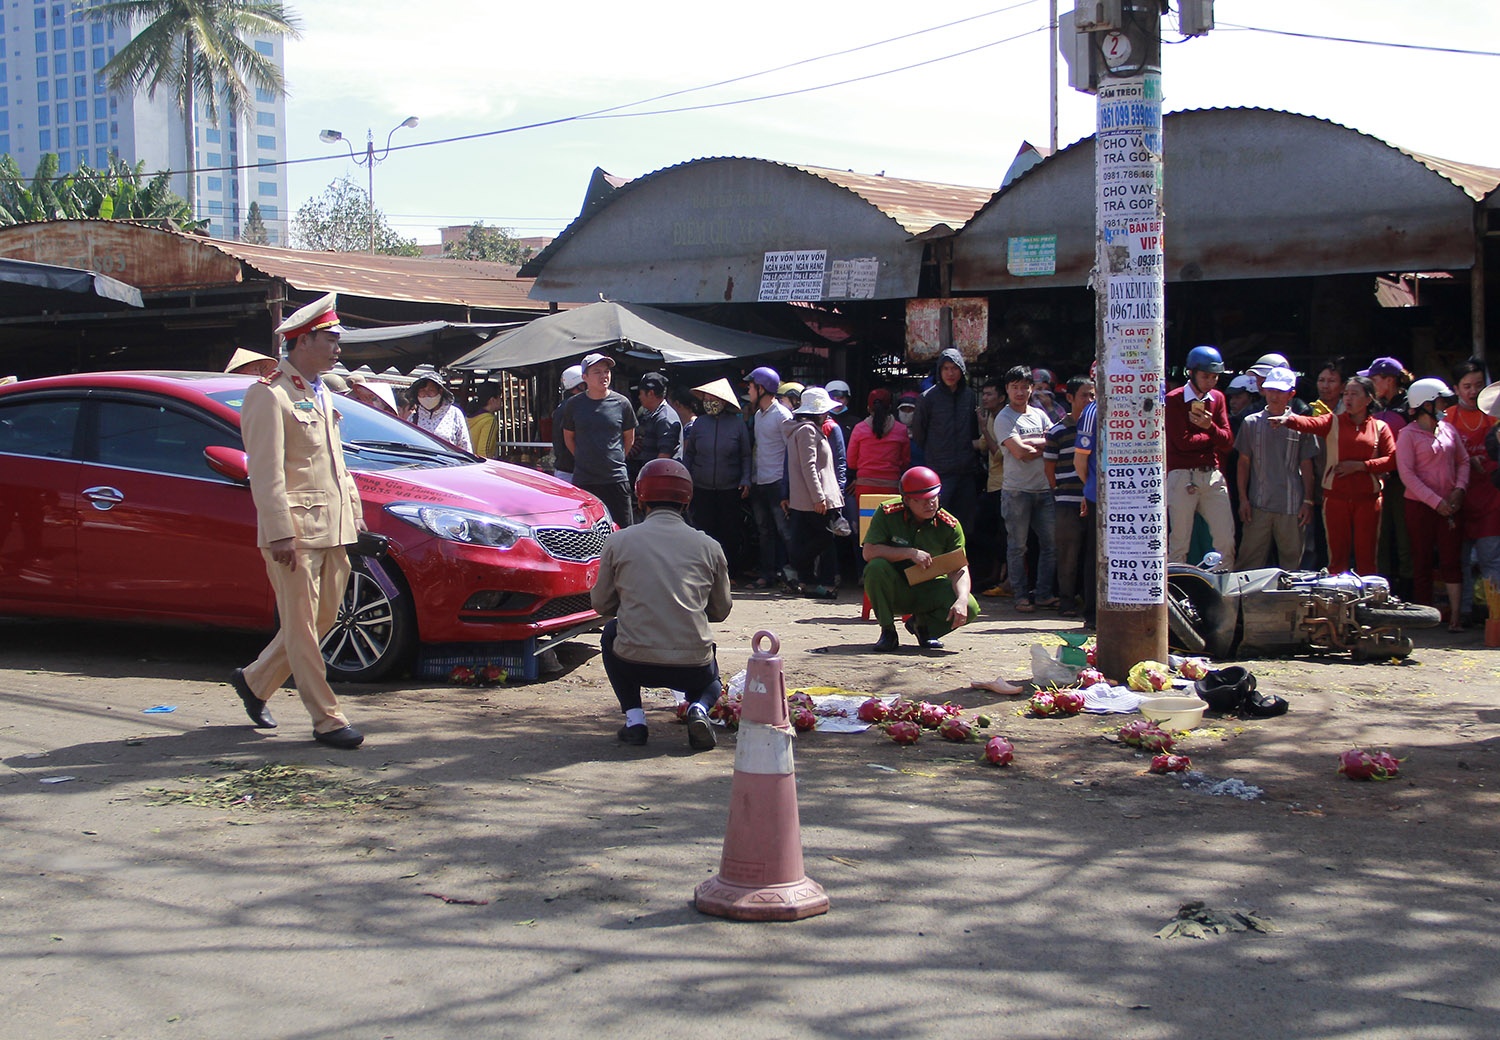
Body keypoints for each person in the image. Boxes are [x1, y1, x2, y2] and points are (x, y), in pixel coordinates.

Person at [229, 292, 365, 750]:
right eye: (331, 339)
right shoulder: (269, 395)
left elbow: (335, 465)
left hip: (334, 527)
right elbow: (265, 472)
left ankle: (255, 681)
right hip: (296, 532)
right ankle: (327, 718)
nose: (337, 348)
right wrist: (279, 532)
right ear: (303, 340)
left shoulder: (320, 393)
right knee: (303, 628)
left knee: (323, 619)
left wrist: (354, 514)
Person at [591, 459, 731, 751]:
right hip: (693, 667)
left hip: (633, 663)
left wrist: (634, 605)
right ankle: (698, 709)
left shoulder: (618, 541)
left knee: (611, 632)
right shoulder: (709, 546)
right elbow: (720, 611)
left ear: (640, 498)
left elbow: (601, 604)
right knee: (711, 670)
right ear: (687, 500)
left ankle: (635, 721)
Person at [1273, 376, 1396, 575]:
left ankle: (1366, 593)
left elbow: (1391, 460)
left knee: (1367, 558)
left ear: (1368, 399)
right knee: (1337, 559)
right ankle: (1336, 593)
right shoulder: (1333, 421)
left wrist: (1361, 466)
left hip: (1368, 500)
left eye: (1354, 394)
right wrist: (1287, 420)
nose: (1348, 398)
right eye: (1345, 394)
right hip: (1336, 499)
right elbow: (1309, 423)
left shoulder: (1380, 427)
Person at [862, 466, 980, 652]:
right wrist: (909, 553)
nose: (930, 504)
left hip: (928, 590)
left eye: (934, 498)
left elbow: (959, 568)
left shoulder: (949, 526)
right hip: (895, 589)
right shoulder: (888, 513)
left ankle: (924, 627)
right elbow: (869, 552)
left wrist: (962, 599)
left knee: (970, 606)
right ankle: (888, 631)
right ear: (907, 500)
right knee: (875, 567)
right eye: (922, 500)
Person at [1397, 378, 1469, 630]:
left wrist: (1459, 489)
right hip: (1420, 507)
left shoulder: (1448, 429)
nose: (1444, 406)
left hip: (1451, 505)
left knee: (1451, 559)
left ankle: (1456, 616)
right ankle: (1424, 617)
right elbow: (1407, 475)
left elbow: (1463, 461)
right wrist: (1435, 502)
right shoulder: (1407, 435)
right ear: (1425, 405)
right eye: (1440, 402)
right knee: (1422, 559)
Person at [1234, 367, 1318, 569]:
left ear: (1291, 394)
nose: (1274, 396)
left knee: (1293, 565)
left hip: (1291, 506)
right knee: (1248, 562)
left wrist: (1308, 501)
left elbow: (1307, 464)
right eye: (1271, 390)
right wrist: (1243, 499)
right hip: (1258, 504)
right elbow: (1243, 462)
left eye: (1280, 391)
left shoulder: (1301, 425)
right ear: (1264, 391)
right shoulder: (1251, 423)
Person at [1166, 345, 1237, 569]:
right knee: (1179, 544)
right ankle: (1176, 589)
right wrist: (1213, 435)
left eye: (1214, 376)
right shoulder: (1174, 399)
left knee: (1226, 540)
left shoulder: (1218, 398)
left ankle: (1222, 586)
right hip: (1182, 476)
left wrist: (1209, 428)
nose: (1211, 381)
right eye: (1206, 376)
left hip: (1212, 475)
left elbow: (1228, 442)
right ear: (1191, 373)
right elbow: (1182, 443)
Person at [994, 364, 1057, 612]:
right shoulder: (1003, 418)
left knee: (1051, 545)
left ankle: (1043, 594)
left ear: (1031, 388)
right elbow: (1020, 452)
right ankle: (1020, 595)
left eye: (1024, 387)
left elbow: (1054, 443)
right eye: (1014, 387)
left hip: (1044, 489)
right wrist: (1039, 444)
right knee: (1018, 547)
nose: (1020, 392)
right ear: (1007, 389)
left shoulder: (1040, 414)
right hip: (1016, 491)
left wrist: (1031, 444)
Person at [1445, 359, 1497, 622]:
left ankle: (1495, 614)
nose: (1473, 391)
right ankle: (1463, 611)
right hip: (1458, 499)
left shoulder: (1495, 416)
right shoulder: (1447, 418)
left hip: (1491, 499)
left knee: (1491, 559)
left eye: (1478, 385)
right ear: (1456, 388)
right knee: (1459, 560)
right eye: (1467, 386)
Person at [682, 377, 751, 575]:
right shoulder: (700, 424)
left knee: (729, 531)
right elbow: (690, 454)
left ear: (723, 402)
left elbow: (746, 455)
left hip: (729, 488)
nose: (708, 402)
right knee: (703, 529)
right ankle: (704, 570)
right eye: (706, 399)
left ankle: (728, 572)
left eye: (713, 399)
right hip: (701, 487)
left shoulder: (737, 425)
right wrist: (686, 478)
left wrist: (746, 479)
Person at [781, 386, 844, 600]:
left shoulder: (800, 429)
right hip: (814, 500)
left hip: (805, 499)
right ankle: (814, 579)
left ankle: (806, 580)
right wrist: (819, 497)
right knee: (824, 540)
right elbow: (809, 466)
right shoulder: (807, 431)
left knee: (811, 540)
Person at [910, 348, 979, 535]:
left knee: (965, 522)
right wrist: (936, 450)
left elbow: (973, 429)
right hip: (939, 470)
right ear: (939, 371)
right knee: (937, 519)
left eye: (954, 368)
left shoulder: (969, 396)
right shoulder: (928, 398)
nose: (950, 373)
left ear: (961, 371)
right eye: (946, 368)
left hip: (966, 469)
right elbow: (919, 433)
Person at [563, 352, 637, 525]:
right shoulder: (574, 405)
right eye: (597, 372)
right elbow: (568, 438)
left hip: (615, 478)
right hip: (585, 479)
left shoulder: (622, 403)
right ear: (585, 377)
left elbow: (629, 439)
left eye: (606, 371)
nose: (604, 376)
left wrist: (613, 459)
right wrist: (584, 458)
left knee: (623, 530)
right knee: (587, 529)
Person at [1044, 374, 1095, 616]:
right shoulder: (1057, 431)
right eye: (1084, 395)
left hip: (1091, 500)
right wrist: (1059, 491)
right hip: (1066, 501)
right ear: (1070, 398)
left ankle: (1088, 601)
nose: (1090, 400)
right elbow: (1049, 469)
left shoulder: (1097, 427)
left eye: (1093, 395)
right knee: (1068, 554)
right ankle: (1066, 602)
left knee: (1091, 554)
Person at [1364, 356, 1413, 593]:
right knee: (1380, 537)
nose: (1371, 385)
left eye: (1374, 380)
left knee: (1404, 538)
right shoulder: (1375, 407)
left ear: (1389, 380)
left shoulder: (1409, 407)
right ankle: (1380, 588)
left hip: (1404, 483)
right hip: (1379, 481)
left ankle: (1408, 590)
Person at [744, 365, 793, 589]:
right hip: (760, 481)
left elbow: (791, 451)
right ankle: (768, 574)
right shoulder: (758, 415)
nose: (748, 390)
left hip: (777, 482)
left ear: (761, 388)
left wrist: (787, 488)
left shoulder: (782, 415)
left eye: (751, 386)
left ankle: (794, 575)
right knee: (764, 531)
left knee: (785, 532)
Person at [973, 377, 1008, 596]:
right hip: (992, 484)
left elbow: (998, 453)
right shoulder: (992, 417)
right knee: (985, 531)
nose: (985, 398)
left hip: (1006, 485)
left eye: (989, 394)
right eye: (983, 394)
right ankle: (994, 575)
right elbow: (981, 445)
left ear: (1001, 397)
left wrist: (983, 428)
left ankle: (1004, 578)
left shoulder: (1005, 419)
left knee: (1004, 535)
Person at [628, 371, 682, 481]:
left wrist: (650, 479)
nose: (639, 397)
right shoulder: (650, 414)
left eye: (641, 393)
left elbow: (664, 456)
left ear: (650, 393)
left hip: (660, 479)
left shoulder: (664, 419)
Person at [409, 373, 473, 452]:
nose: (426, 394)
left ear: (440, 391)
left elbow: (464, 446)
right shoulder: (413, 417)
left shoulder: (454, 414)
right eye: (422, 391)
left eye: (431, 390)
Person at [550, 365, 585, 483]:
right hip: (573, 471)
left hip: (566, 469)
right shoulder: (574, 407)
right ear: (579, 385)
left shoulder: (564, 406)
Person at [467, 382, 504, 459]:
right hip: (478, 464)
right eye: (500, 397)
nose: (501, 400)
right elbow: (483, 451)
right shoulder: (489, 420)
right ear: (492, 400)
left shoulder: (469, 417)